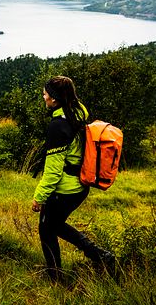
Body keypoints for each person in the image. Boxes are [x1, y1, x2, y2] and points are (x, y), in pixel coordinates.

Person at [31, 75, 114, 280]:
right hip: (80, 186)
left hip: (65, 189)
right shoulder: (77, 112)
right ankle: (100, 256)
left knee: (47, 229)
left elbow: (53, 172)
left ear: (55, 99)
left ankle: (56, 276)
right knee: (55, 225)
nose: (43, 96)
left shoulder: (58, 127)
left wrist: (39, 197)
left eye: (45, 94)